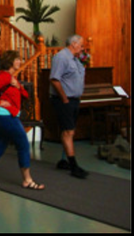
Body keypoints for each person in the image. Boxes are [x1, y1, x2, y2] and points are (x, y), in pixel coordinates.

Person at [0, 50, 45, 191]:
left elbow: (25, 95)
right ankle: (27, 180)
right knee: (23, 144)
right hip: (4, 115)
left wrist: (18, 86)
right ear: (10, 62)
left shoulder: (12, 78)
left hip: (5, 115)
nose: (20, 61)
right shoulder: (5, 76)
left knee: (1, 144)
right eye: (17, 59)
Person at [50, 34, 88, 179]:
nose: (83, 48)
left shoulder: (75, 59)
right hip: (64, 100)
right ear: (74, 44)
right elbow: (54, 79)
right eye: (81, 45)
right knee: (68, 132)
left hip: (73, 100)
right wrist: (64, 99)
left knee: (69, 130)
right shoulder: (61, 57)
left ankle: (64, 160)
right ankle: (74, 167)